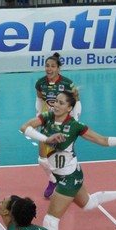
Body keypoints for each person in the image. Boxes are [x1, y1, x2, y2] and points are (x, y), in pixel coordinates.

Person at [20, 90, 116, 230]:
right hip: (62, 174)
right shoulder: (47, 117)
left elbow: (103, 140)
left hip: (69, 177)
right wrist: (46, 139)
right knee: (88, 204)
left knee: (50, 220)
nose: (56, 105)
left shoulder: (75, 126)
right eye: (56, 101)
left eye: (61, 103)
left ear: (69, 108)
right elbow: (25, 127)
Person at [34, 53, 80, 199]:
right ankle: (53, 180)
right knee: (42, 159)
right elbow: (40, 99)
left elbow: (76, 101)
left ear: (59, 68)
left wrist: (75, 118)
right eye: (47, 66)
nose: (49, 69)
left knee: (64, 153)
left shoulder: (67, 84)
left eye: (53, 66)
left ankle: (69, 181)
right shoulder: (40, 83)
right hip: (48, 121)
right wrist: (38, 117)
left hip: (65, 121)